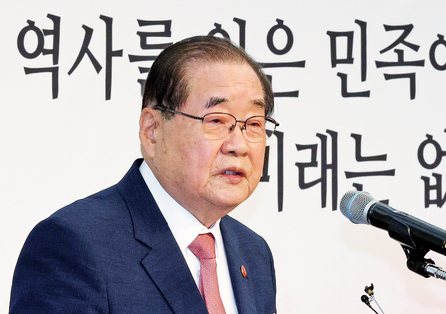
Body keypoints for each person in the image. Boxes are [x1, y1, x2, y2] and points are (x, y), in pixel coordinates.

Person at [9, 36, 279, 314]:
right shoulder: (75, 245)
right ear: (152, 130)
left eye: (254, 124)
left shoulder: (254, 253)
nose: (239, 145)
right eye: (217, 121)